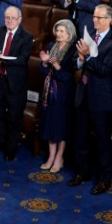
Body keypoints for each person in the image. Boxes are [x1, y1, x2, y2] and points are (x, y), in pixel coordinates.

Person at [71, 4, 112, 194]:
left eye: (99, 18)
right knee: (81, 137)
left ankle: (104, 179)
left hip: (101, 98)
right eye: (94, 16)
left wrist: (87, 56)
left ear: (109, 20)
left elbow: (105, 70)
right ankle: (82, 172)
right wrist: (80, 59)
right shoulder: (89, 34)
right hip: (83, 93)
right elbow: (77, 62)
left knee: (102, 141)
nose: (95, 20)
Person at [0, 6, 33, 161]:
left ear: (19, 19)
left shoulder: (26, 37)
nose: (9, 21)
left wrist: (5, 59)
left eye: (13, 18)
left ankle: (10, 149)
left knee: (14, 118)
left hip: (15, 83)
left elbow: (23, 59)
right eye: (7, 17)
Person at [38, 20, 77, 173]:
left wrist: (56, 66)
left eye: (62, 31)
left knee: (61, 126)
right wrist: (45, 64)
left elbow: (68, 76)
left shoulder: (72, 50)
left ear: (69, 34)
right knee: (49, 123)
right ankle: (51, 156)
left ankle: (59, 157)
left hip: (64, 93)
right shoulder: (50, 47)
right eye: (57, 31)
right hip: (49, 92)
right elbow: (43, 72)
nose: (58, 34)